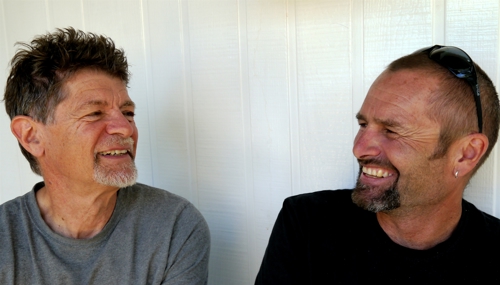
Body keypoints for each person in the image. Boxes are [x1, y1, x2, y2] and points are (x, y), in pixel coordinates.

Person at [255, 45, 500, 284]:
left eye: (392, 131)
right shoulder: (307, 226)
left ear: (466, 154)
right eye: (363, 125)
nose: (359, 149)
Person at [0, 27, 210, 284]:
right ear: (32, 136)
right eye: (95, 113)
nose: (125, 128)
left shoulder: (174, 227)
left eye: (128, 113)